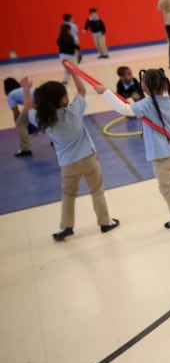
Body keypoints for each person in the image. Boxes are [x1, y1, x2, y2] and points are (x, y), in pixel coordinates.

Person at [96, 69, 170, 229]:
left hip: (160, 156)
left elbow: (124, 110)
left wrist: (106, 93)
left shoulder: (146, 105)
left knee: (166, 189)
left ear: (144, 86)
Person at [25, 70, 120, 241]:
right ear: (63, 99)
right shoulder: (74, 112)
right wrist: (74, 71)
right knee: (97, 190)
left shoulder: (43, 119)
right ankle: (105, 222)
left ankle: (66, 226)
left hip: (67, 164)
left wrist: (26, 89)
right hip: (88, 158)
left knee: (68, 195)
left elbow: (27, 108)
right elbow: (82, 91)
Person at [5, 77, 35, 157]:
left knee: (20, 124)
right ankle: (56, 140)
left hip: (34, 102)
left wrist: (17, 125)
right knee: (48, 119)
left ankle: (25, 149)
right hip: (43, 98)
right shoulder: (22, 89)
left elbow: (16, 113)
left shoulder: (11, 95)